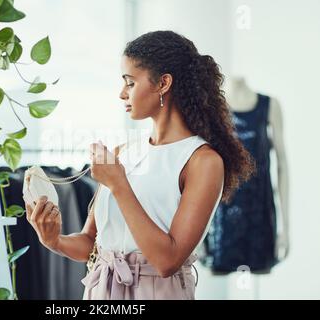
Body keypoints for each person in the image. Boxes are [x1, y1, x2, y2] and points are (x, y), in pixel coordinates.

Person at [24, 30, 255, 300]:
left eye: (130, 83)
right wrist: (54, 240)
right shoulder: (123, 153)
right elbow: (91, 244)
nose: (122, 93)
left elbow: (167, 261)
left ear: (163, 83)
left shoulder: (203, 161)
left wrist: (119, 184)